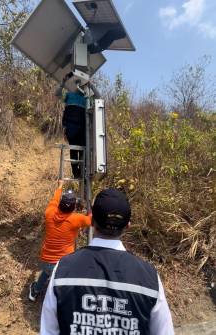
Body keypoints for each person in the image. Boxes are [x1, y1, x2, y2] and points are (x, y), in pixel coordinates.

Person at [40, 188, 175, 335]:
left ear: (92, 222)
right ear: (127, 226)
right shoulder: (149, 278)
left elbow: (48, 330)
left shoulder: (63, 270)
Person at [29, 180, 91, 302]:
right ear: (74, 207)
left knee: (46, 273)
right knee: (62, 283)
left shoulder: (49, 213)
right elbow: (90, 220)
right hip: (64, 263)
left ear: (60, 204)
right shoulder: (76, 219)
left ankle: (35, 291)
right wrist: (91, 209)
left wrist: (60, 186)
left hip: (46, 259)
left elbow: (54, 199)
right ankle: (60, 301)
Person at [56, 79, 87, 179]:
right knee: (74, 149)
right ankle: (76, 172)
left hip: (82, 126)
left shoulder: (85, 97)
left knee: (82, 149)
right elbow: (58, 94)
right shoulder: (69, 95)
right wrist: (62, 84)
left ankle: (83, 171)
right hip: (71, 125)